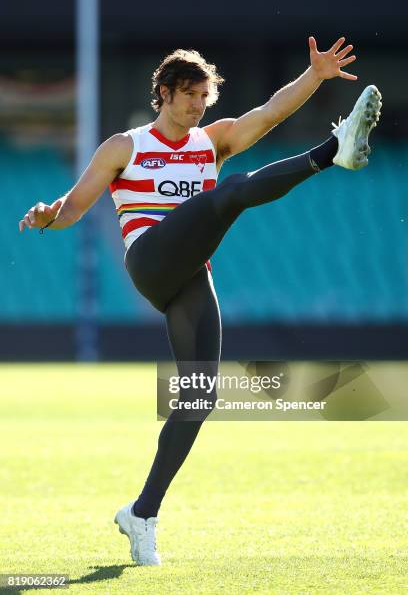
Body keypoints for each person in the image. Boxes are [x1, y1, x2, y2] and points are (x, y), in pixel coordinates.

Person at [19, 37, 382, 566]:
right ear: (163, 94)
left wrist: (315, 76)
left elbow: (269, 113)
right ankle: (334, 150)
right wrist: (49, 214)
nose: (198, 105)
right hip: (150, 261)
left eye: (204, 97)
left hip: (190, 276)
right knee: (229, 193)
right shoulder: (125, 146)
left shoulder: (210, 140)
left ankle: (141, 513)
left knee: (199, 399)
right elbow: (75, 206)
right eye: (189, 95)